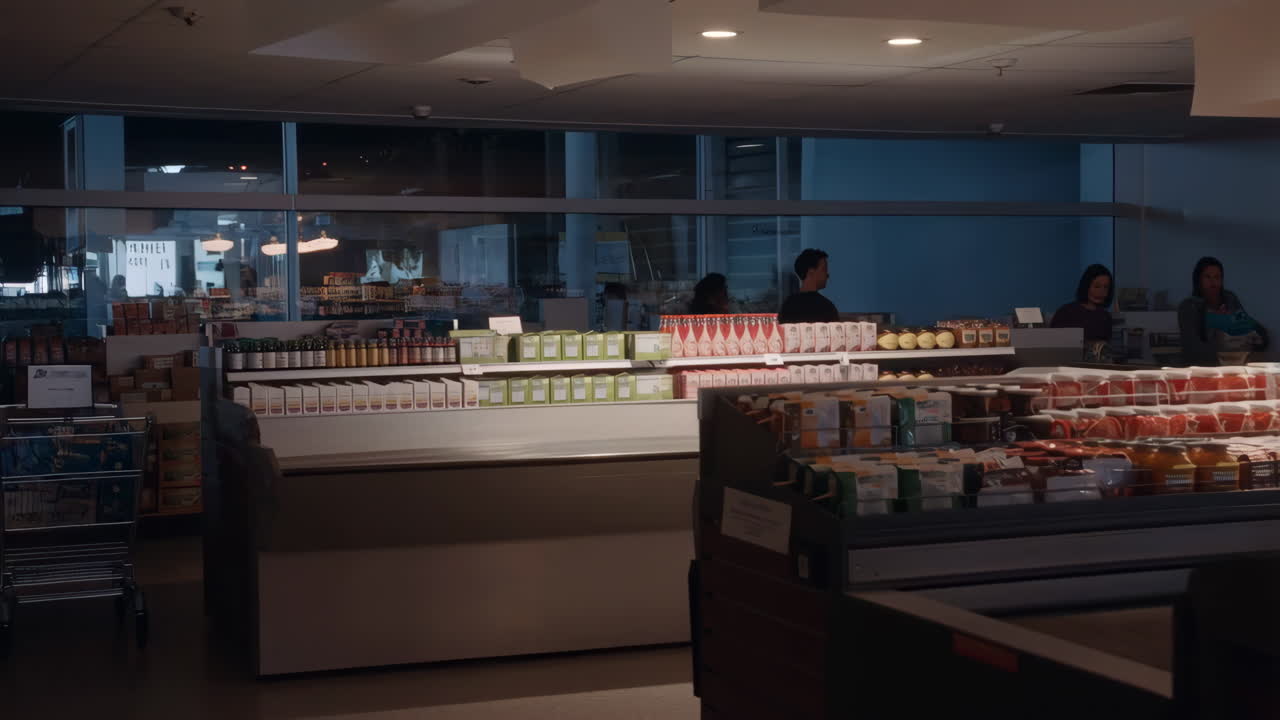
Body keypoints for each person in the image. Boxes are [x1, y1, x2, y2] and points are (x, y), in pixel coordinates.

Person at [1178, 256, 1268, 366]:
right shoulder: (1188, 306)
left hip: (1233, 365)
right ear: (1198, 280)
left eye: (1217, 277)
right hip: (1201, 368)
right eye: (1207, 277)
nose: (1213, 282)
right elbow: (1193, 348)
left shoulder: (1229, 299)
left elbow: (1247, 324)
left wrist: (1258, 337)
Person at [1051, 264, 1114, 342]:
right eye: (1097, 286)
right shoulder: (1065, 312)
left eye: (1105, 287)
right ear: (1086, 286)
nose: (1101, 292)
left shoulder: (1106, 317)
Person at [778, 248, 838, 324]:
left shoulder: (788, 306)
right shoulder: (826, 307)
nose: (827, 275)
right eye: (824, 269)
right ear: (811, 272)